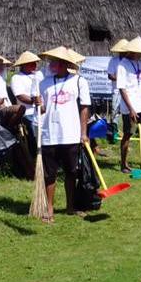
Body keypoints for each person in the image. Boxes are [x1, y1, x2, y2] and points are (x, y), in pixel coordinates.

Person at [37, 47, 91, 222]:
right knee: (50, 174)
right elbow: (44, 108)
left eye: (57, 62)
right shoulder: (43, 83)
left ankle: (70, 206)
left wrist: (83, 133)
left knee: (71, 171)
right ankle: (49, 210)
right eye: (52, 61)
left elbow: (84, 107)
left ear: (66, 64)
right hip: (49, 135)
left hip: (70, 134)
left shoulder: (79, 81)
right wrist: (36, 103)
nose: (53, 64)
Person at [118, 37, 141, 173]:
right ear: (133, 51)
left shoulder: (140, 63)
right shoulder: (122, 65)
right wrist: (131, 108)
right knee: (128, 133)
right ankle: (124, 164)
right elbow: (122, 88)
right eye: (140, 52)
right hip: (130, 107)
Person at [10, 51, 43, 156]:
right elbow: (20, 95)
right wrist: (34, 101)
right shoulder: (17, 78)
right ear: (23, 65)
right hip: (28, 111)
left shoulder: (40, 75)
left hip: (42, 109)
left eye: (35, 63)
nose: (34, 65)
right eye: (31, 63)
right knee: (33, 134)